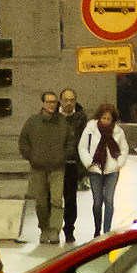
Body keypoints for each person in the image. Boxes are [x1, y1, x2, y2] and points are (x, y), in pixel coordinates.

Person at [16, 91, 73, 246]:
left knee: (56, 200)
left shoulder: (63, 123)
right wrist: (31, 157)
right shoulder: (32, 122)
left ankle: (54, 231)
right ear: (43, 103)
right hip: (38, 168)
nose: (51, 105)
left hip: (57, 168)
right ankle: (44, 229)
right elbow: (23, 141)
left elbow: (70, 141)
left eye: (54, 102)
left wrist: (63, 156)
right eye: (48, 102)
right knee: (40, 202)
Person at [79, 104, 134, 236]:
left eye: (109, 119)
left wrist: (118, 164)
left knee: (109, 200)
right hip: (95, 169)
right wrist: (89, 163)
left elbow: (124, 149)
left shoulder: (118, 132)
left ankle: (107, 230)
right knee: (97, 202)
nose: (106, 121)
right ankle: (97, 229)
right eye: (103, 118)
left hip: (112, 170)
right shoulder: (90, 129)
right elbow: (82, 147)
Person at [56, 88, 86, 243]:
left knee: (70, 199)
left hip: (73, 164)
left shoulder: (81, 117)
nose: (69, 103)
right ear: (60, 101)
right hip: (55, 164)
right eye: (66, 100)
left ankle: (69, 229)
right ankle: (52, 229)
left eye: (72, 100)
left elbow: (84, 141)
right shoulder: (53, 116)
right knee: (54, 198)